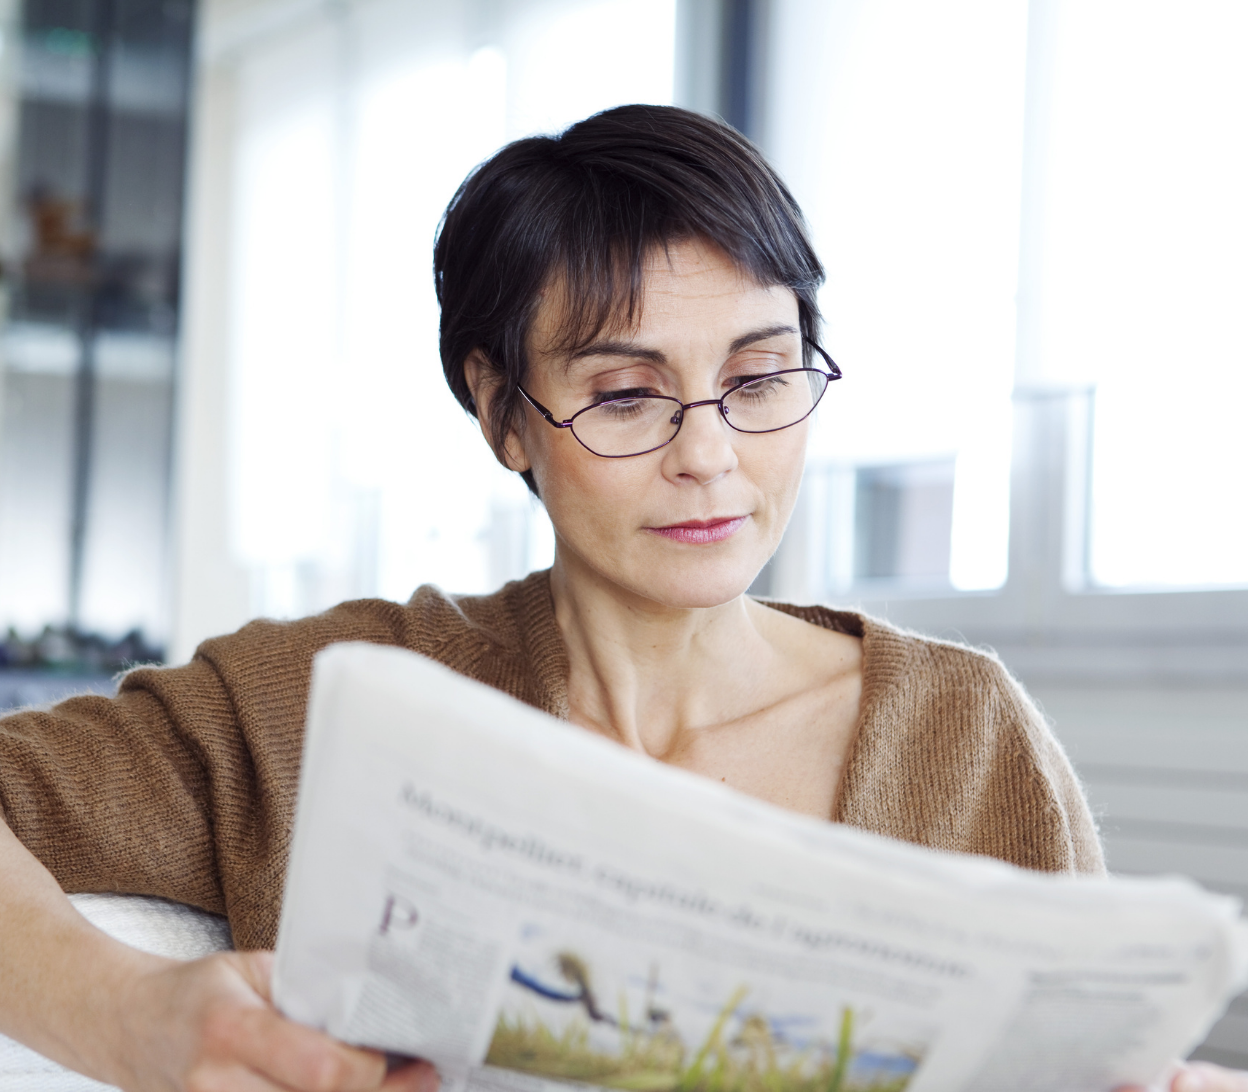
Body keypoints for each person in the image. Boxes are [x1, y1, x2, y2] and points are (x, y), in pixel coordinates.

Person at [0, 105, 1240, 1092]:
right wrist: (123, 1017)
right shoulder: (305, 711)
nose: (710, 455)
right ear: (500, 413)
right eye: (628, 395)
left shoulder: (966, 737)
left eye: (760, 377)